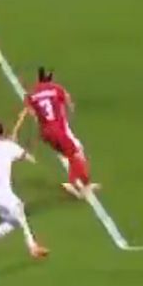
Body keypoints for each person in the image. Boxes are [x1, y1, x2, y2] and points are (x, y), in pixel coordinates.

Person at [13, 67, 98, 198]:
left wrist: (16, 133)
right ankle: (81, 185)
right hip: (59, 130)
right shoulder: (56, 88)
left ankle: (80, 182)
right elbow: (70, 104)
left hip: (46, 133)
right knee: (76, 153)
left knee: (71, 153)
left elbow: (28, 113)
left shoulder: (31, 94)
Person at [0, 121, 49, 261]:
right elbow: (29, 157)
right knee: (20, 211)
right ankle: (33, 247)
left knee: (13, 221)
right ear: (3, 132)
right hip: (3, 193)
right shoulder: (9, 146)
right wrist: (23, 148)